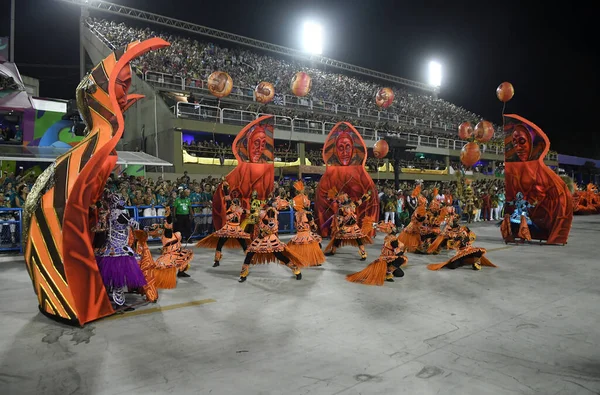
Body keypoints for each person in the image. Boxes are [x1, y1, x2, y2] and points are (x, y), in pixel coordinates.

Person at [95, 193, 147, 307]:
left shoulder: (108, 214)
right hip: (119, 250)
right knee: (118, 277)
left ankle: (106, 298)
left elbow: (99, 228)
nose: (123, 202)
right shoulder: (121, 214)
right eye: (122, 200)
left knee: (110, 276)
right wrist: (148, 228)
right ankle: (119, 303)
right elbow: (134, 224)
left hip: (109, 248)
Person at [239, 197, 303, 282]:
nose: (276, 204)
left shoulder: (271, 211)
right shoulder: (267, 211)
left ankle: (296, 270)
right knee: (250, 253)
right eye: (275, 202)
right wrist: (241, 210)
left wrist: (263, 234)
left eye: (277, 203)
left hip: (268, 237)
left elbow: (272, 226)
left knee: (278, 255)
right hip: (263, 237)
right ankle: (243, 274)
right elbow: (254, 213)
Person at [196, 182, 250, 267]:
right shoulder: (234, 207)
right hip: (230, 228)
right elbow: (227, 196)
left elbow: (249, 212)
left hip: (233, 228)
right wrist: (225, 188)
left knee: (238, 244)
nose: (235, 203)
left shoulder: (238, 209)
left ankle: (218, 261)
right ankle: (217, 261)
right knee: (239, 244)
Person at [148, 206, 194, 287]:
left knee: (186, 254)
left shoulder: (175, 234)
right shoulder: (165, 235)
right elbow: (168, 223)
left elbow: (170, 224)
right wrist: (168, 215)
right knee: (165, 266)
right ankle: (163, 279)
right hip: (169, 255)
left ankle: (181, 272)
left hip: (177, 253)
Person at [324, 190, 373, 260]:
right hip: (345, 227)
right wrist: (340, 228)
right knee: (338, 238)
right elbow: (340, 219)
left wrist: (365, 197)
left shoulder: (352, 205)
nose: (346, 199)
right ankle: (333, 251)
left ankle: (363, 254)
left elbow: (360, 202)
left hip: (353, 226)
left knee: (358, 239)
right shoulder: (341, 209)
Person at [286, 180, 325, 267]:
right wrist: (314, 226)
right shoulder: (307, 214)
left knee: (301, 248)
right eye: (307, 202)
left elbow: (296, 224)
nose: (308, 203)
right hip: (307, 234)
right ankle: (314, 261)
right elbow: (312, 225)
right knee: (315, 245)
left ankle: (300, 260)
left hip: (299, 234)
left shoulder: (296, 214)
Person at [427, 226, 497, 271]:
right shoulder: (456, 235)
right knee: (452, 266)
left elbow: (472, 238)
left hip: (469, 250)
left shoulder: (470, 234)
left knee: (479, 251)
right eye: (461, 232)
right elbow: (451, 245)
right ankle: (462, 262)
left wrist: (466, 239)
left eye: (464, 232)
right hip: (461, 253)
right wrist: (456, 240)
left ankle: (476, 262)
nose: (462, 232)